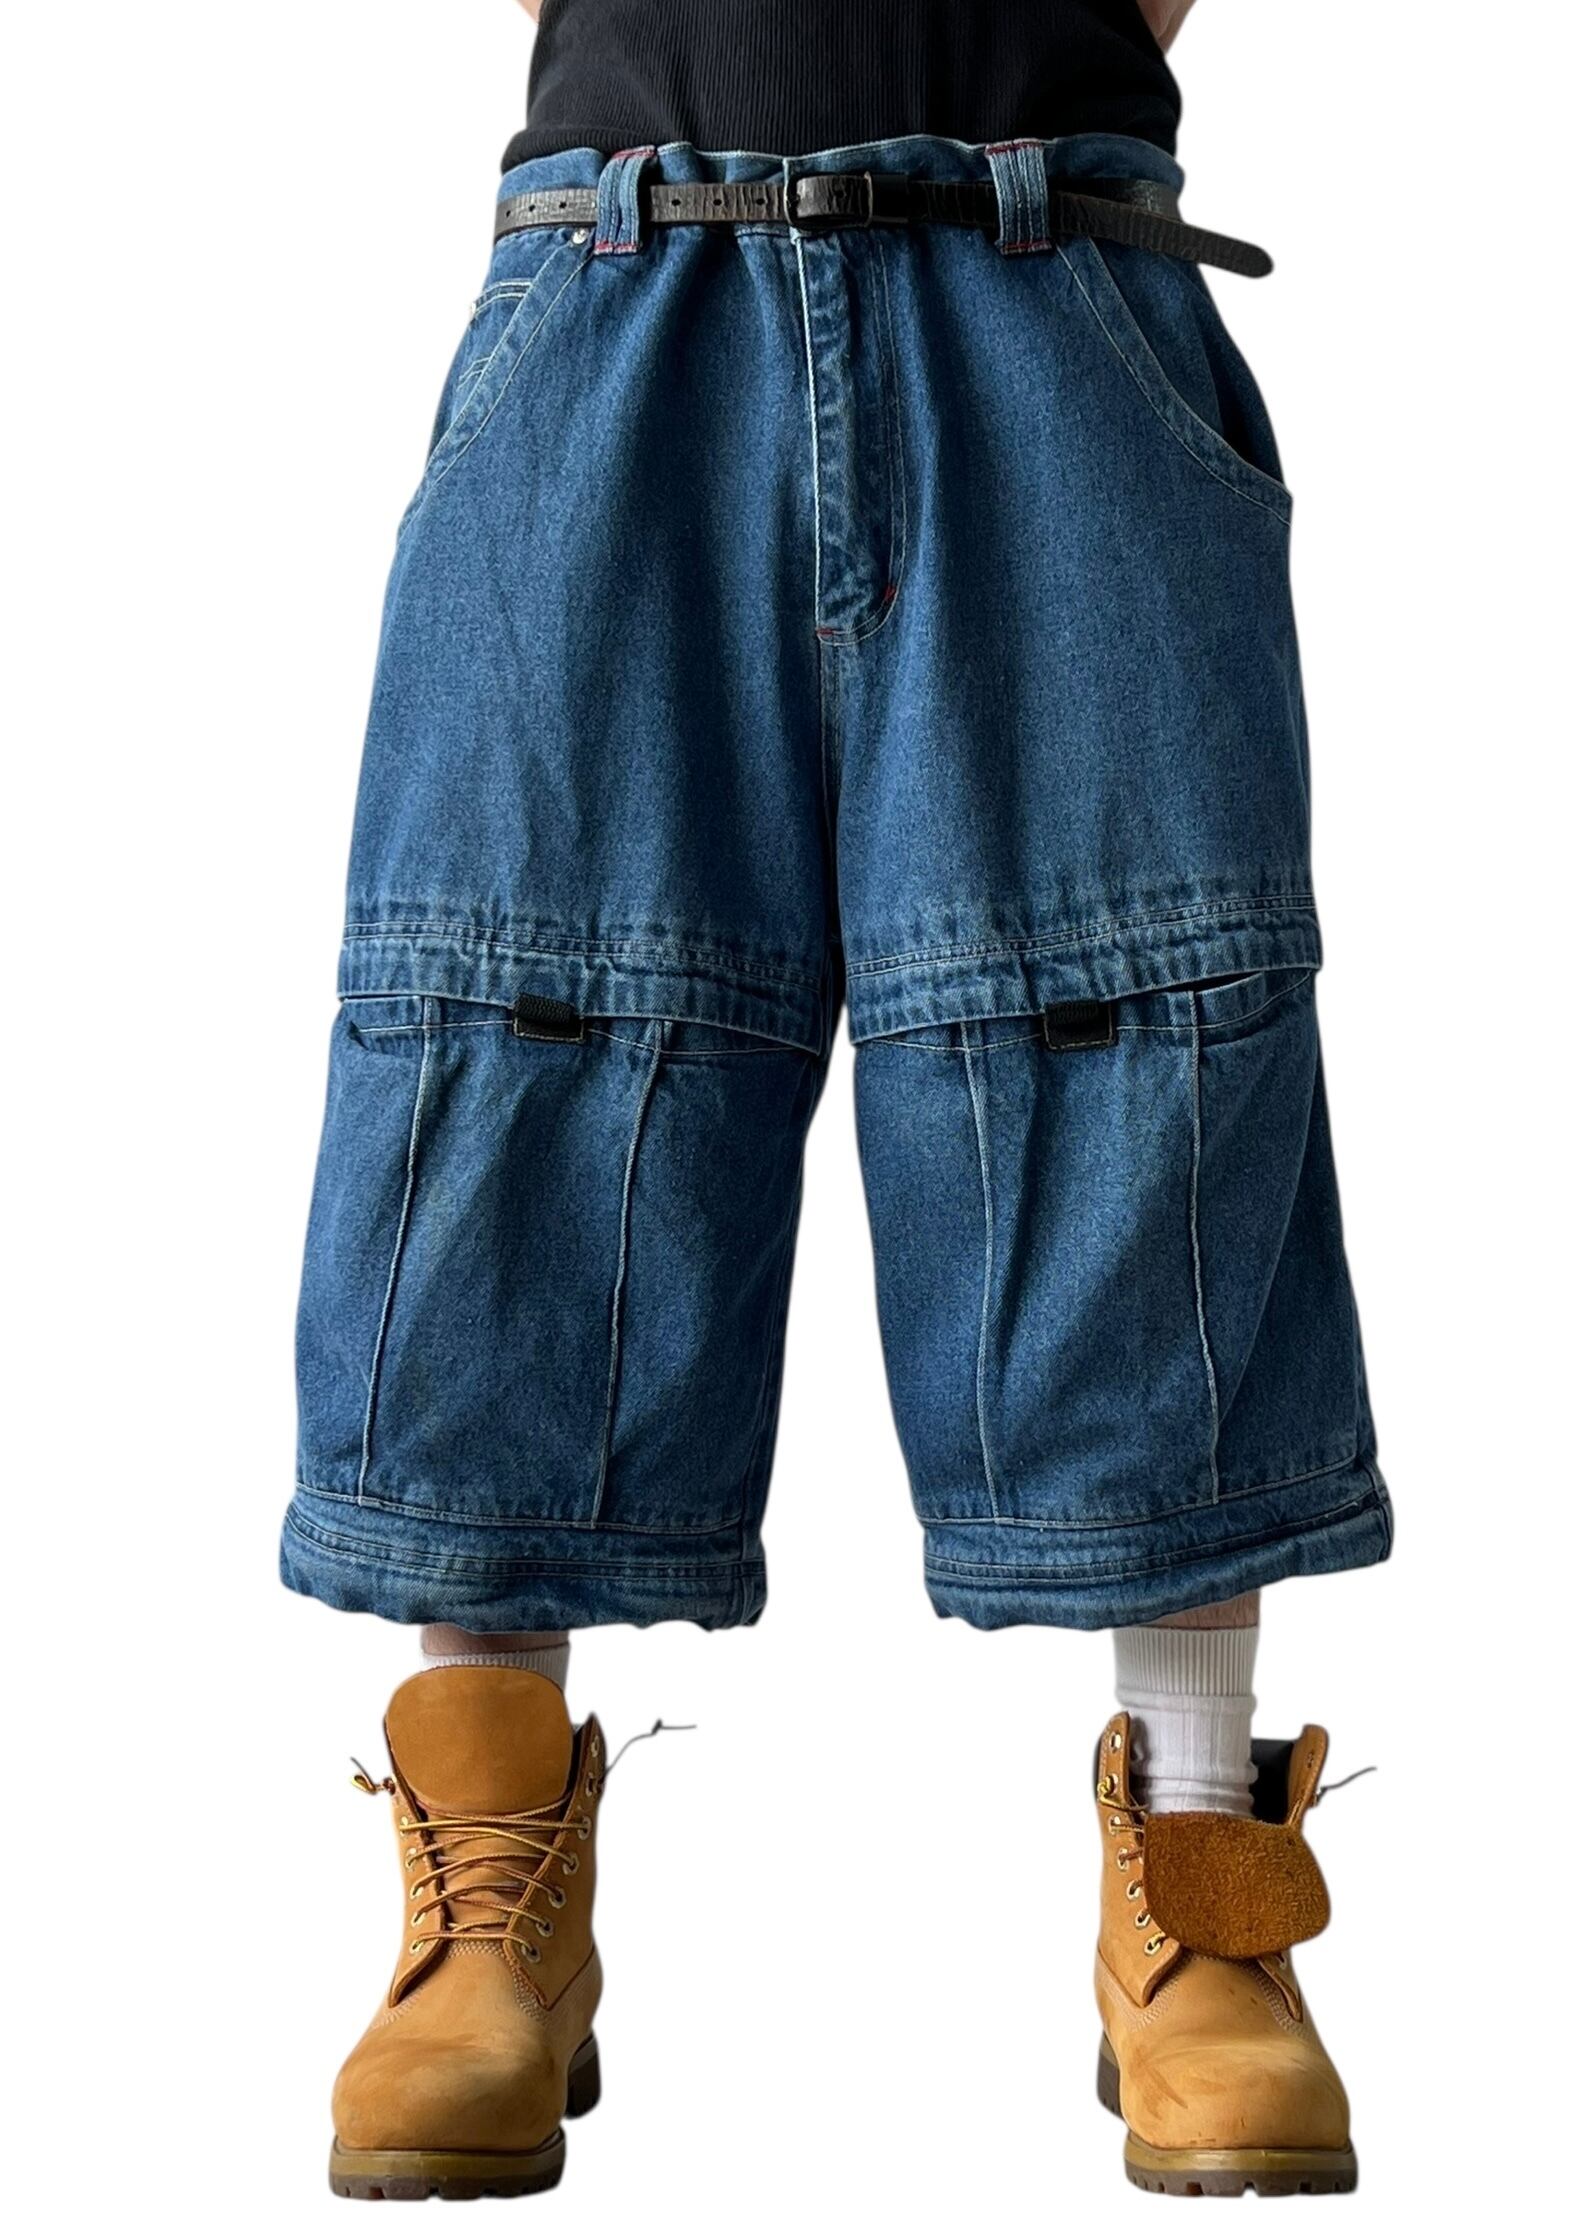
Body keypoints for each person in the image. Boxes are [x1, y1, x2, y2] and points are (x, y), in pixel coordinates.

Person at [286, 0, 1389, 2201]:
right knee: (528, 1023)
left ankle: (1197, 1899)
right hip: (621, 265)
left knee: (1141, 1041)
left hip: (1049, 264)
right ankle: (490, 1902)